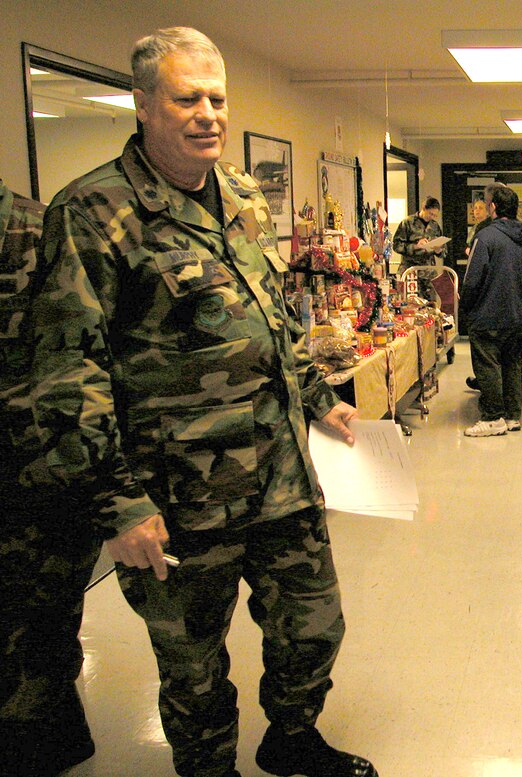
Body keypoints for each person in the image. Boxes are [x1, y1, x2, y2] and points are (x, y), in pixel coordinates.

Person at [28, 27, 376, 777]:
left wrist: (317, 397)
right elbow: (65, 372)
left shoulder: (243, 195)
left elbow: (273, 315)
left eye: (218, 97)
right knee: (193, 667)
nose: (209, 113)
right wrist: (115, 504)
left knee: (314, 624)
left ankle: (291, 736)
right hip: (176, 493)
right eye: (188, 98)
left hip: (279, 473)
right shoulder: (91, 212)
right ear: (145, 104)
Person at [0, 178, 100, 777]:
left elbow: (91, 354)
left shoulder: (46, 228)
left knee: (43, 616)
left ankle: (45, 740)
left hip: (42, 467)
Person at [460, 184, 522, 437]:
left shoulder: (486, 236)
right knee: (513, 363)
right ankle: (512, 414)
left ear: (492, 207)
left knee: (488, 365)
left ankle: (493, 418)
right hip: (518, 313)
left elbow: (472, 279)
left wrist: (466, 308)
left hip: (488, 314)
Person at [464, 198, 492, 392]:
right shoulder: (475, 229)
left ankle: (488, 385)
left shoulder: (487, 231)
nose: (476, 211)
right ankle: (483, 380)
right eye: (474, 208)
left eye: (481, 208)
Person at [392, 196, 446, 270]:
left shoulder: (435, 226)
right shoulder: (408, 222)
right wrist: (415, 246)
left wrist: (438, 250)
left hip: (429, 271)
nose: (432, 217)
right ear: (423, 209)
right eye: (430, 214)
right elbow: (396, 245)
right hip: (410, 269)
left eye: (435, 215)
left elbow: (444, 251)